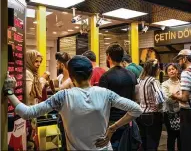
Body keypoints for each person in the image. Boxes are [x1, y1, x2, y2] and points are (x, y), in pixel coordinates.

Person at [3, 55, 143, 150]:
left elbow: (27, 113)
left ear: (70, 76)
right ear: (91, 74)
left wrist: (9, 92)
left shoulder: (63, 97)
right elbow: (136, 109)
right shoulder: (105, 94)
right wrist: (113, 128)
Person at [99, 43, 138, 151]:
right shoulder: (131, 75)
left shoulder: (106, 77)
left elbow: (102, 104)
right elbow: (135, 98)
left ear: (108, 56)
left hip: (112, 122)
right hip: (128, 120)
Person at [136, 59, 165, 151]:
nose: (159, 70)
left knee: (143, 142)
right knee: (152, 143)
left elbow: (135, 97)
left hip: (140, 114)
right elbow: (160, 97)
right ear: (155, 69)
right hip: (152, 115)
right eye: (158, 68)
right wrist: (160, 108)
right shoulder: (153, 81)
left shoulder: (139, 80)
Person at [162, 63, 181, 151]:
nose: (171, 71)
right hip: (169, 114)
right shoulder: (164, 84)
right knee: (171, 136)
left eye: (173, 69)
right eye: (169, 70)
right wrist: (180, 97)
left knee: (181, 136)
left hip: (182, 113)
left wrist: (173, 95)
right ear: (167, 73)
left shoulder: (182, 82)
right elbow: (166, 99)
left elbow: (187, 96)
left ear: (177, 70)